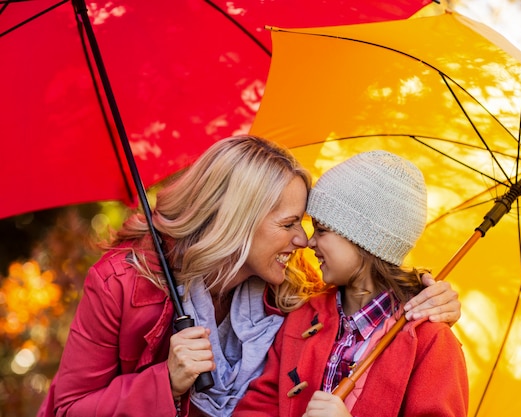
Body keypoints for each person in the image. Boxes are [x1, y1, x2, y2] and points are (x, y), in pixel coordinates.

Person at [37, 136, 461, 417]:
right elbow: (67, 409)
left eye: (316, 228)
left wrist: (427, 293)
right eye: (291, 223)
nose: (303, 241)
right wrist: (164, 381)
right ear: (240, 221)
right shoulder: (122, 284)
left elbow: (372, 292)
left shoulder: (291, 289)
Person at [234, 150, 469, 417]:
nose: (309, 242)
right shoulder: (303, 316)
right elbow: (260, 404)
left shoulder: (431, 343)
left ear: (365, 242)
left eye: (322, 230)